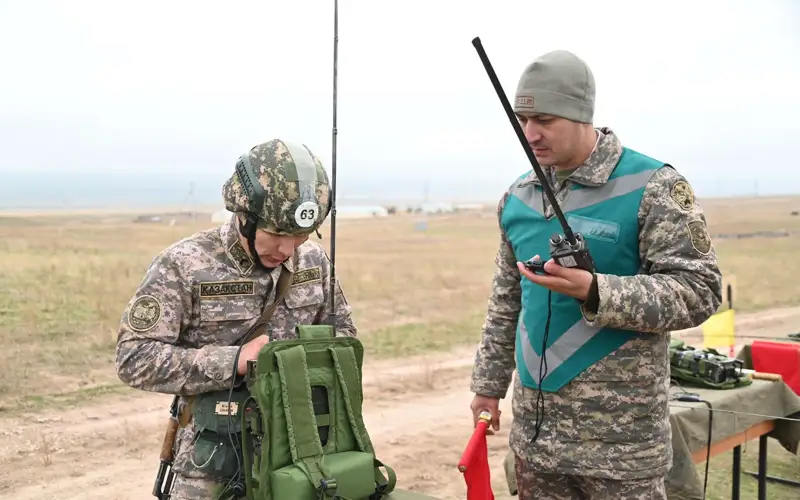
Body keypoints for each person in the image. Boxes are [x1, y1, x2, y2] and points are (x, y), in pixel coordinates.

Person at [469, 50, 723, 499]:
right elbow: (507, 302)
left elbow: (699, 291)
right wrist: (488, 387)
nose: (530, 134)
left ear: (582, 114)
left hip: (621, 448)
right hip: (536, 444)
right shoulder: (519, 197)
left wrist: (597, 291)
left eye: (544, 119)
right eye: (522, 119)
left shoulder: (653, 186)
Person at [115, 138, 356, 499]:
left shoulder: (314, 262)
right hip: (212, 462)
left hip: (303, 454)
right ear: (245, 217)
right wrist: (234, 361)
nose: (288, 250)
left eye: (301, 235)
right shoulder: (185, 265)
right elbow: (133, 359)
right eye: (276, 234)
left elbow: (344, 342)